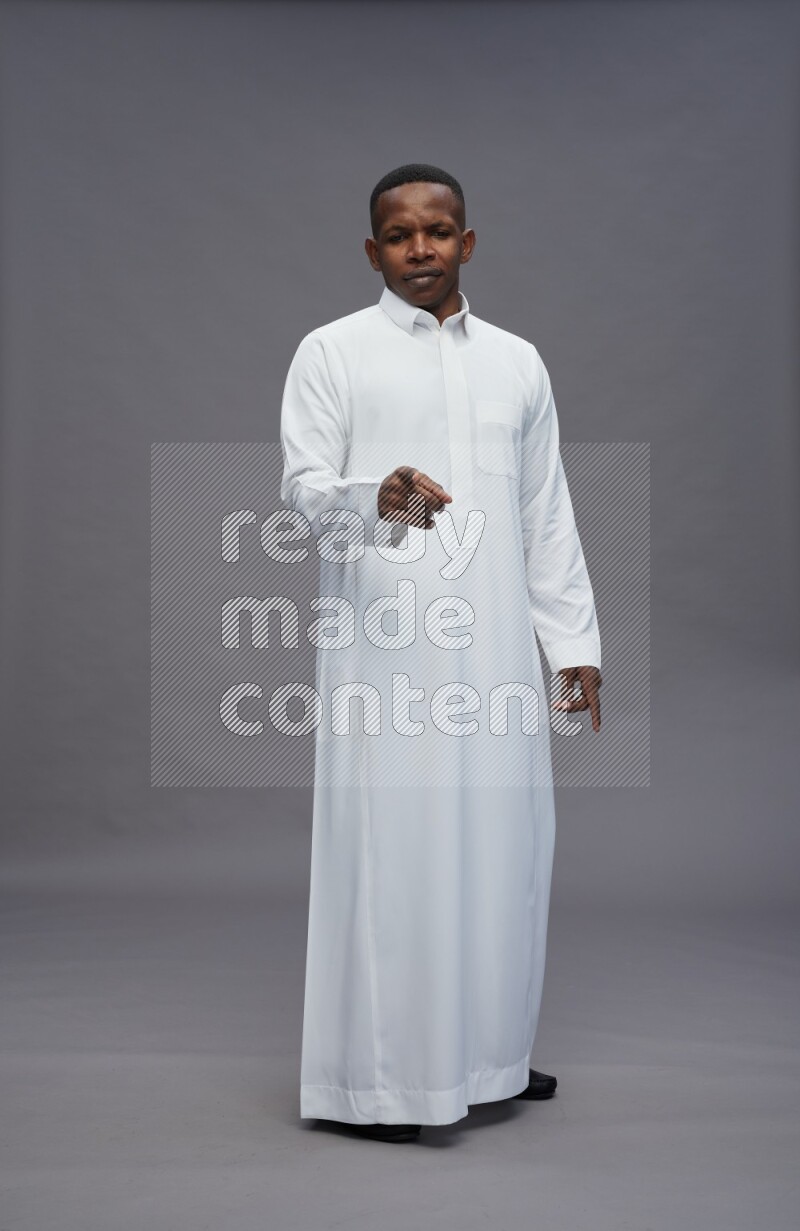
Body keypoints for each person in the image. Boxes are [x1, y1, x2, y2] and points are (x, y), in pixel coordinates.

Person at [279, 163, 602, 1143]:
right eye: (398, 232)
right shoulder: (332, 352)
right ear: (371, 250)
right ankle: (382, 1087)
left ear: (468, 242)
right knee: (399, 858)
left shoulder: (516, 362)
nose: (419, 246)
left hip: (497, 649)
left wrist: (571, 642)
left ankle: (488, 1056)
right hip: (389, 649)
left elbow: (543, 510)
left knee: (505, 852)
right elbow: (300, 487)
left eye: (438, 229)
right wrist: (369, 496)